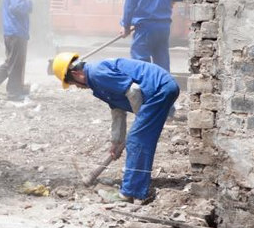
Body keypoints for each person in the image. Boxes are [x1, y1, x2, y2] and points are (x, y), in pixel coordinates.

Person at [51, 52, 179, 203]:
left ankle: (131, 192)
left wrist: (140, 120)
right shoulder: (95, 83)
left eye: (73, 84)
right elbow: (117, 110)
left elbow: (134, 91)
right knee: (136, 138)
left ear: (76, 74)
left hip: (160, 89)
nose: (78, 88)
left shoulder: (97, 73)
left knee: (137, 139)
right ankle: (133, 190)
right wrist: (116, 141)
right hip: (159, 90)